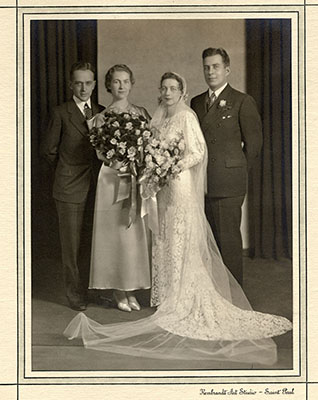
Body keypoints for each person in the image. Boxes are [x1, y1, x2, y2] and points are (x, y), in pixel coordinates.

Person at [64, 72, 291, 365]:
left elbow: (198, 152)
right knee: (163, 237)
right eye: (164, 88)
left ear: (182, 92)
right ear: (160, 92)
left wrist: (173, 165)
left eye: (174, 88)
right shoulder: (157, 118)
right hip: (161, 188)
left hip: (180, 184)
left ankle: (183, 295)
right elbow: (147, 150)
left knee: (181, 236)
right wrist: (155, 168)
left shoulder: (186, 117)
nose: (168, 92)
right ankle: (167, 295)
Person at [190, 48, 263, 286]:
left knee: (228, 241)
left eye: (216, 66)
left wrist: (234, 170)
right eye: (207, 67)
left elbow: (253, 145)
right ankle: (215, 295)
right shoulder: (197, 102)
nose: (211, 71)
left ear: (227, 69)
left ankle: (233, 296)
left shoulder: (242, 101)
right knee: (209, 241)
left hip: (228, 182)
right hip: (202, 181)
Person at [41, 62, 105, 311]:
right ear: (71, 85)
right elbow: (47, 151)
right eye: (78, 83)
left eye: (88, 83)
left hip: (96, 188)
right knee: (71, 245)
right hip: (69, 188)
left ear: (94, 85)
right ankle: (73, 293)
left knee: (92, 242)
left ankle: (90, 289)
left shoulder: (101, 111)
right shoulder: (61, 112)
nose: (83, 88)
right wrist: (67, 171)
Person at [88, 64, 151, 312]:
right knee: (112, 235)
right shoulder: (100, 118)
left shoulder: (141, 113)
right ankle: (117, 290)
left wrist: (134, 162)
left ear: (131, 83)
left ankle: (131, 287)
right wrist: (117, 158)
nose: (121, 86)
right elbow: (99, 152)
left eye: (125, 81)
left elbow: (147, 146)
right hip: (110, 179)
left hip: (133, 178)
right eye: (116, 82)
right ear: (109, 85)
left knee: (131, 235)